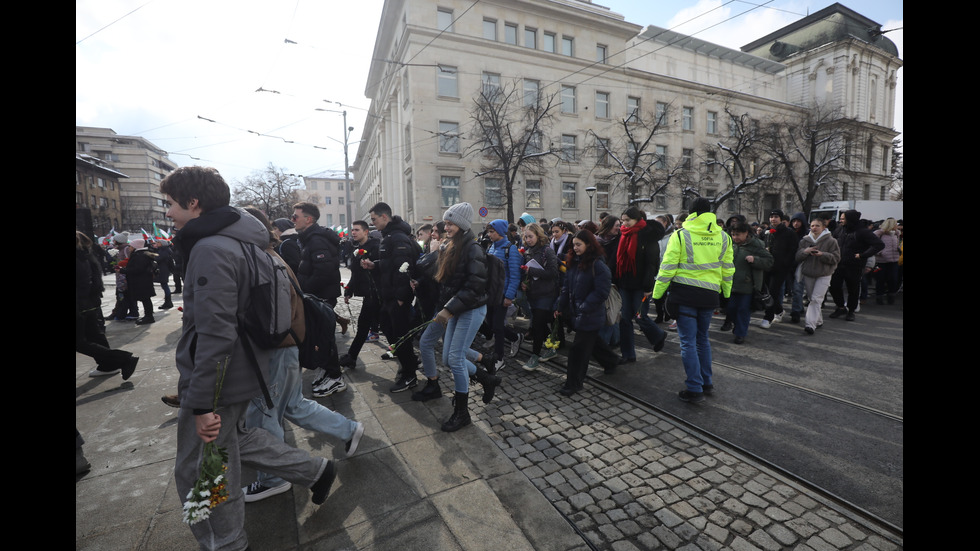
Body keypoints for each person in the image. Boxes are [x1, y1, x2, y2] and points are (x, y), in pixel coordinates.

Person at [162, 166, 336, 550]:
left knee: (202, 467)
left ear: (194, 202)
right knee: (237, 440)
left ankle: (226, 541)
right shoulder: (243, 242)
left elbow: (216, 333)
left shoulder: (210, 248)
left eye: (171, 204)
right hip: (244, 367)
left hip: (221, 377)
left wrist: (203, 400)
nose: (168, 212)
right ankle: (315, 470)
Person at [240, 207, 364, 503]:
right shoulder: (270, 253)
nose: (294, 220)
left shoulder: (265, 258)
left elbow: (274, 313)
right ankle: (348, 429)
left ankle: (273, 478)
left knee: (264, 413)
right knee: (292, 405)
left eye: (298, 216)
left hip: (278, 347)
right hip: (285, 345)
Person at [415, 202, 499, 430]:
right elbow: (444, 281)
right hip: (456, 309)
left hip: (470, 310)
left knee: (455, 359)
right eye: (447, 223)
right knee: (450, 358)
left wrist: (448, 309)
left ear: (461, 225)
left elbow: (474, 287)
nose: (446, 227)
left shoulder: (473, 249)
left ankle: (462, 413)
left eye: (450, 223)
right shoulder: (452, 245)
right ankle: (486, 378)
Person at [652, 198, 734, 403]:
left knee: (687, 342)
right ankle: (706, 382)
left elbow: (667, 267)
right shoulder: (723, 236)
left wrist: (657, 293)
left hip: (685, 295)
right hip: (709, 296)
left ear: (691, 213)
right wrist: (726, 294)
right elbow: (728, 269)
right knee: (702, 340)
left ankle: (694, 387)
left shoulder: (681, 235)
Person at [361, 202, 422, 393]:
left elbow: (404, 267)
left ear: (384, 217)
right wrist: (375, 265)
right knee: (390, 330)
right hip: (389, 296)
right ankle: (410, 362)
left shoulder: (397, 238)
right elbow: (391, 263)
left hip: (397, 297)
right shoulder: (389, 236)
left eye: (374, 219)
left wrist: (402, 297)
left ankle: (409, 375)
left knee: (400, 336)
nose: (372, 223)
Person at [292, 202, 348, 397]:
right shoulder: (310, 238)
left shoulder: (316, 240)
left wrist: (304, 291)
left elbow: (323, 272)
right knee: (322, 335)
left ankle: (335, 377)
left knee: (323, 337)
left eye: (295, 216)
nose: (293, 220)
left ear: (309, 219)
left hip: (320, 296)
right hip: (318, 295)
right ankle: (327, 369)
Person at [556, 230, 619, 396]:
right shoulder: (573, 262)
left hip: (590, 314)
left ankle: (573, 383)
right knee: (593, 343)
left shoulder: (598, 265)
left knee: (578, 350)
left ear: (589, 245)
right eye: (574, 244)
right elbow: (567, 288)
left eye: (579, 244)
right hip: (577, 312)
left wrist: (584, 307)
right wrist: (560, 306)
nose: (575, 248)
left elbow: (601, 292)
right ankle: (611, 361)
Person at [77, 231, 139, 379]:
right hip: (89, 303)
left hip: (81, 304)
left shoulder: (80, 258)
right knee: (95, 336)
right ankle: (108, 365)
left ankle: (124, 359)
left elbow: (82, 284)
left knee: (80, 342)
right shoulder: (86, 255)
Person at [614, 207, 667, 364]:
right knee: (624, 319)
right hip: (624, 283)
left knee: (640, 317)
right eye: (622, 220)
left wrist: (648, 287)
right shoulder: (623, 234)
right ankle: (628, 354)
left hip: (640, 286)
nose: (624, 223)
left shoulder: (647, 236)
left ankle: (658, 335)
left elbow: (652, 264)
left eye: (627, 220)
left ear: (637, 220)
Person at [479, 219, 524, 370]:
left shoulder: (510, 249)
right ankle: (515, 337)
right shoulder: (491, 247)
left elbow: (515, 275)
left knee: (498, 326)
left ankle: (499, 358)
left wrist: (509, 296)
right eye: (489, 232)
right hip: (491, 293)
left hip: (502, 294)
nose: (489, 235)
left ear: (500, 231)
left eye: (492, 232)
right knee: (491, 325)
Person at [339, 220, 381, 368]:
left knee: (388, 327)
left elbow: (382, 267)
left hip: (377, 292)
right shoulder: (356, 247)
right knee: (364, 325)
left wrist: (373, 265)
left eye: (357, 230)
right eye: (353, 230)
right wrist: (349, 290)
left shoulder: (376, 246)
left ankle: (409, 360)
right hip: (368, 294)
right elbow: (355, 273)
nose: (354, 232)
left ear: (366, 231)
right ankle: (352, 356)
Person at [828, 209, 884, 321]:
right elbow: (832, 242)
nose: (840, 220)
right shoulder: (840, 229)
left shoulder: (862, 232)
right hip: (838, 264)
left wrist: (863, 255)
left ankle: (851, 311)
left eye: (843, 219)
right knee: (833, 287)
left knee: (853, 289)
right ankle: (840, 307)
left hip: (854, 266)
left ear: (850, 220)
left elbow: (879, 245)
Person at [519, 223, 560, 370]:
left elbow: (553, 273)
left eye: (531, 236)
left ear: (538, 235)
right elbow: (526, 273)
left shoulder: (547, 251)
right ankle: (551, 347)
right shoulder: (527, 251)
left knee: (536, 325)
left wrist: (533, 272)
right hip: (533, 294)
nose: (528, 239)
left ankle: (534, 356)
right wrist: (524, 284)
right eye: (526, 237)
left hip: (546, 294)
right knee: (540, 323)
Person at [727, 222, 774, 344]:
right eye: (733, 234)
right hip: (731, 284)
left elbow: (769, 261)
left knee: (743, 310)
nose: (735, 237)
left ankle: (740, 334)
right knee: (731, 309)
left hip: (748, 286)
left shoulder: (756, 245)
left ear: (746, 233)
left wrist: (755, 260)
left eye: (738, 234)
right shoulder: (731, 245)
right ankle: (737, 326)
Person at [795, 217, 841, 335]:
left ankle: (810, 324)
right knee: (812, 299)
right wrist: (805, 251)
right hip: (809, 273)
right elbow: (798, 257)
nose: (814, 228)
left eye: (817, 226)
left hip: (824, 274)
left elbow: (836, 258)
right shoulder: (804, 240)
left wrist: (822, 254)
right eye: (812, 226)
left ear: (824, 227)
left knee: (816, 299)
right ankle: (818, 320)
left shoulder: (831, 241)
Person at [761, 210, 797, 329]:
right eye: (771, 217)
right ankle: (779, 310)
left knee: (773, 291)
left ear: (781, 219)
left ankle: (768, 317)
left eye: (776, 217)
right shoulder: (765, 232)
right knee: (766, 293)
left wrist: (786, 264)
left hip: (780, 268)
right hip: (766, 266)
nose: (773, 219)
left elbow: (792, 251)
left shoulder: (788, 233)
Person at [120, 238, 159, 325]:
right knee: (145, 299)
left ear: (135, 247)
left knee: (145, 299)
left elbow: (137, 269)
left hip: (141, 281)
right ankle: (148, 316)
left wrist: (123, 270)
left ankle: (149, 317)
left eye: (130, 246)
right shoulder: (141, 254)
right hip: (142, 281)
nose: (129, 248)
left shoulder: (139, 256)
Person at [873, 218, 901, 305]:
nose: (897, 226)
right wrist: (880, 252)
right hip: (881, 260)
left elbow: (897, 244)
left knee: (893, 279)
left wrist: (899, 249)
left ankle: (891, 295)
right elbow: (873, 244)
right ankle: (879, 296)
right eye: (896, 224)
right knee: (880, 279)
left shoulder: (896, 234)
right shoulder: (879, 233)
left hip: (894, 259)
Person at [787, 212, 809, 324]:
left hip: (800, 264)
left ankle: (795, 312)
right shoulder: (788, 232)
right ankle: (799, 307)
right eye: (794, 221)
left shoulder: (806, 235)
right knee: (792, 289)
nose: (796, 224)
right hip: (788, 264)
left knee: (797, 288)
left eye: (798, 221)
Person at [151, 239, 175, 310]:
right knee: (164, 285)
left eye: (158, 242)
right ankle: (168, 302)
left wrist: (153, 256)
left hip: (163, 270)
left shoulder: (164, 251)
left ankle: (168, 302)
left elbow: (158, 258)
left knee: (164, 285)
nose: (157, 244)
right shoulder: (163, 250)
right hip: (163, 269)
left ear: (162, 244)